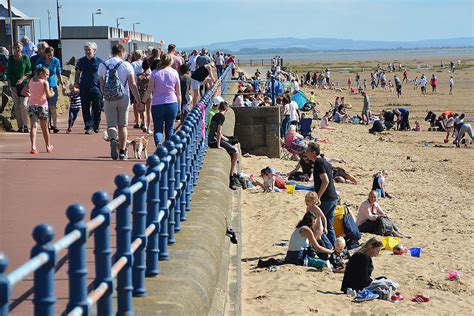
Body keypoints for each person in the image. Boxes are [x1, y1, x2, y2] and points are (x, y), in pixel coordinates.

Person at [98, 44, 141, 160]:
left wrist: (106, 94)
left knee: (111, 125)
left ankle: (112, 140)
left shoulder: (102, 65)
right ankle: (122, 151)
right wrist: (138, 101)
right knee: (123, 126)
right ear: (122, 52)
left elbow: (101, 84)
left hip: (108, 98)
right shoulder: (127, 65)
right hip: (124, 97)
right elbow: (132, 84)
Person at [141, 53, 181, 147]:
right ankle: (167, 148)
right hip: (172, 102)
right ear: (171, 61)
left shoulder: (154, 73)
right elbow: (178, 93)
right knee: (169, 128)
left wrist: (142, 102)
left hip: (157, 104)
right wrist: (179, 107)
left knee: (158, 129)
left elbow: (149, 90)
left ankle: (158, 143)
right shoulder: (175, 73)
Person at [305, 142, 338, 248]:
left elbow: (326, 181)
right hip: (333, 197)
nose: (306, 153)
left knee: (319, 226)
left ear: (314, 152)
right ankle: (336, 248)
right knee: (328, 225)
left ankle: (329, 248)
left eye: (308, 151)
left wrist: (318, 197)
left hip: (326, 198)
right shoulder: (325, 162)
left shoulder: (319, 163)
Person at [208, 101, 240, 190]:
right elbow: (219, 131)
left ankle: (235, 174)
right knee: (235, 152)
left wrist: (225, 139)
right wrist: (219, 145)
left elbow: (214, 130)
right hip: (213, 141)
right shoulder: (221, 117)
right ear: (226, 110)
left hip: (211, 139)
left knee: (232, 144)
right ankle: (232, 177)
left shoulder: (216, 115)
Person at [24, 66, 55, 154]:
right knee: (44, 127)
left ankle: (33, 146)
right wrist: (53, 92)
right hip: (42, 106)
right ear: (41, 73)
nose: (48, 76)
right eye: (47, 74)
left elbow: (23, 92)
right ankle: (48, 146)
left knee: (33, 126)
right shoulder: (45, 82)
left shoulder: (30, 81)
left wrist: (30, 95)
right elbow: (48, 95)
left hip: (32, 105)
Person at [75, 42, 103, 134]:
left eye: (89, 49)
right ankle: (88, 126)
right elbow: (78, 72)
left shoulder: (100, 62)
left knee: (97, 108)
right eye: (86, 50)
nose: (87, 51)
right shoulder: (81, 61)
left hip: (96, 88)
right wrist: (76, 83)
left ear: (94, 50)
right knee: (85, 108)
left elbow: (103, 75)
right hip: (84, 88)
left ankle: (96, 124)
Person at [35, 47, 64, 133]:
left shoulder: (56, 61)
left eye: (51, 55)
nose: (50, 57)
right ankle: (46, 125)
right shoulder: (40, 61)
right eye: (48, 55)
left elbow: (58, 73)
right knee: (45, 106)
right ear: (45, 54)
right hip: (42, 85)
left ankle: (54, 125)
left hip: (52, 85)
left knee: (52, 106)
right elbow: (36, 72)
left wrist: (62, 84)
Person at [6, 41, 31, 133]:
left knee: (23, 105)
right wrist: (8, 85)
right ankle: (20, 126)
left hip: (24, 85)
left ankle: (25, 125)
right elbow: (8, 72)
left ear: (22, 48)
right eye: (15, 47)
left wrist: (23, 78)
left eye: (18, 47)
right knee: (16, 106)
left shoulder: (25, 58)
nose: (17, 49)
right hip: (14, 85)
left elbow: (29, 71)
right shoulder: (11, 59)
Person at [137, 58, 152, 134]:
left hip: (141, 94)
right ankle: (149, 127)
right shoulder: (151, 76)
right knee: (148, 111)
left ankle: (144, 124)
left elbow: (137, 85)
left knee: (142, 110)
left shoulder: (139, 76)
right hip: (148, 94)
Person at [131, 50, 145, 130]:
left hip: (136, 86)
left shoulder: (133, 64)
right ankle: (144, 121)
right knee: (144, 105)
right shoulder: (144, 63)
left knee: (136, 104)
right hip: (144, 87)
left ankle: (137, 121)